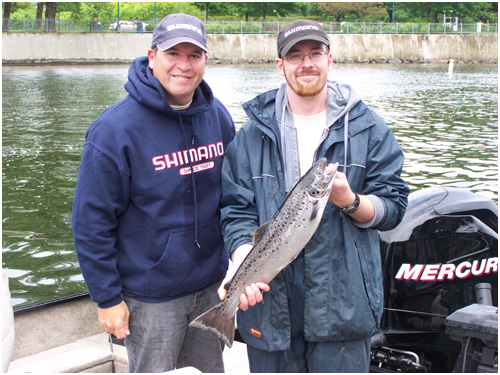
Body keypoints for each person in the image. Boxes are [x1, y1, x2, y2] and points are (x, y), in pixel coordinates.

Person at [218, 19, 410, 373]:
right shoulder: (249, 136)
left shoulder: (368, 128)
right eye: (295, 56)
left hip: (343, 311)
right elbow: (236, 211)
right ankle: (222, 317)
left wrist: (351, 201)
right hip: (269, 312)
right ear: (280, 65)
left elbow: (395, 207)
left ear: (329, 59)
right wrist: (243, 261)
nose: (306, 63)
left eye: (315, 53)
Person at [72, 13, 235, 373]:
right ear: (152, 56)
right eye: (172, 53)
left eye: (194, 55)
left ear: (205, 60)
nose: (183, 65)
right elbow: (90, 223)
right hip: (151, 297)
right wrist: (107, 298)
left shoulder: (218, 117)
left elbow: (234, 198)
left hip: (211, 289)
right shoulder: (114, 130)